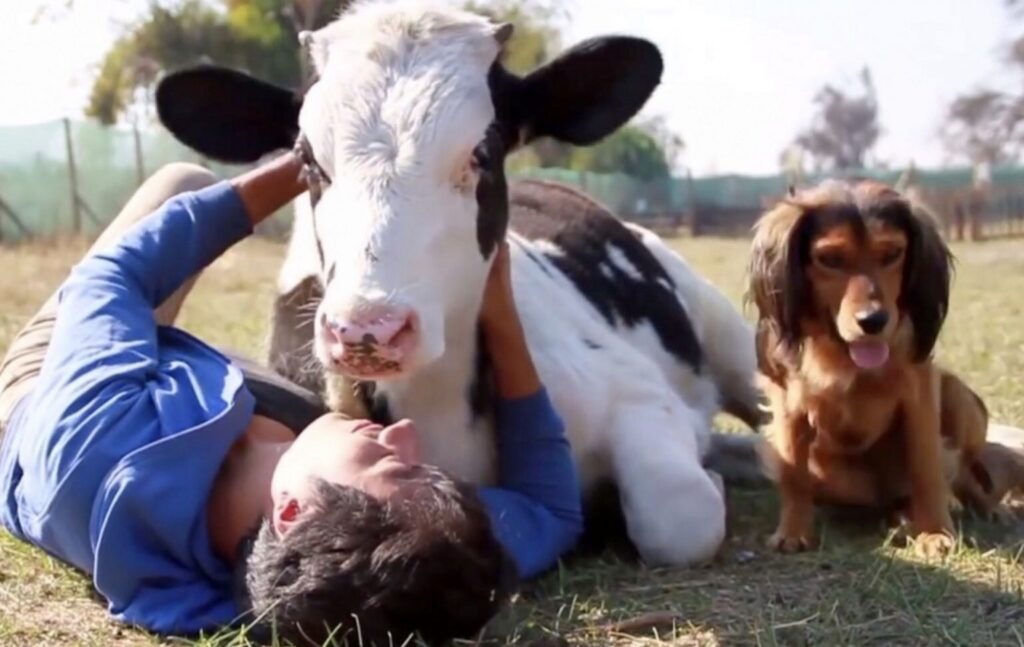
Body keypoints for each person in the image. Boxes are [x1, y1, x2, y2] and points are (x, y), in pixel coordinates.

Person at [0, 153, 583, 646]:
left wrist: (299, 166)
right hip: (213, 399)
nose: (405, 437)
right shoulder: (390, 569)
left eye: (390, 462)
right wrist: (501, 318)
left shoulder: (100, 433)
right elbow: (554, 513)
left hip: (40, 395)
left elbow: (112, 277)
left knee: (185, 183)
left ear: (292, 513)